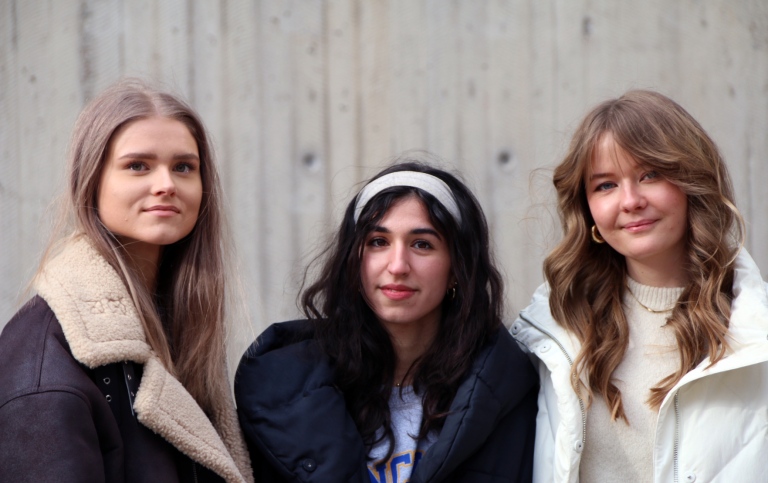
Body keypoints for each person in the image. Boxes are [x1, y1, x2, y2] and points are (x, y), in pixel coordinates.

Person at [0, 80, 253, 483]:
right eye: (138, 165)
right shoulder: (47, 366)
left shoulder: (179, 326)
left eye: (184, 167)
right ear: (92, 180)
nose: (166, 184)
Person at [510, 90, 768, 482]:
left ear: (691, 182)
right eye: (605, 185)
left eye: (650, 174)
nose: (630, 201)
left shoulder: (755, 332)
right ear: (588, 209)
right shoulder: (552, 330)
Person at [235, 160, 538, 483]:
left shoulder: (507, 393)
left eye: (422, 244)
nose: (397, 265)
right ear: (353, 261)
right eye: (378, 242)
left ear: (457, 269)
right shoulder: (284, 388)